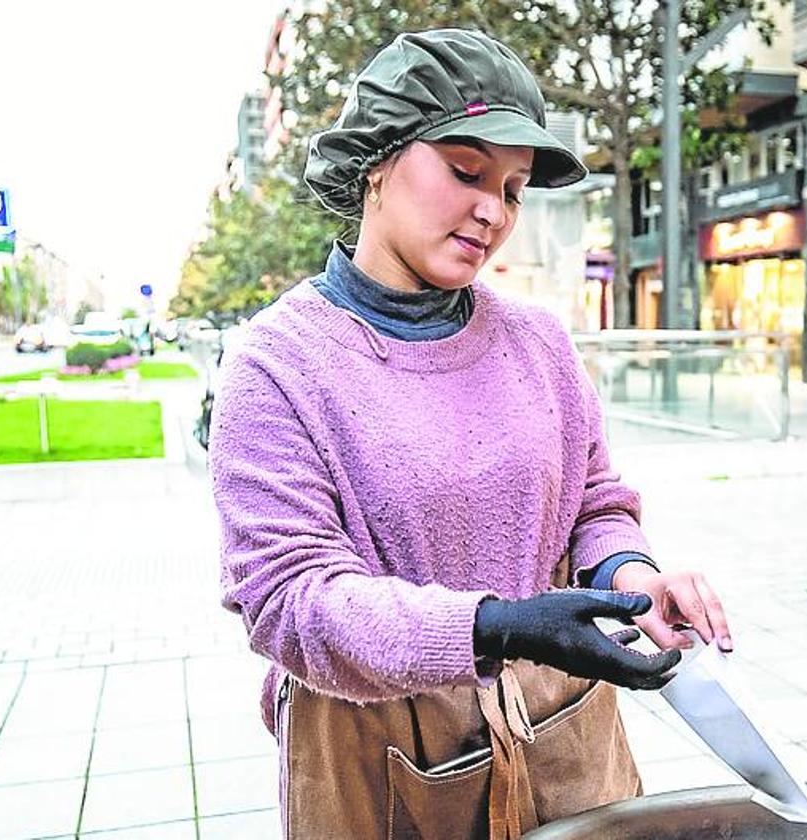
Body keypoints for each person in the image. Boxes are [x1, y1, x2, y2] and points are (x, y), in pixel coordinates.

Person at [208, 29, 732, 839]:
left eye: (515, 189)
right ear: (376, 163)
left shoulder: (538, 343)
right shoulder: (277, 365)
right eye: (464, 171)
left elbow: (594, 501)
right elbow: (289, 602)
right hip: (375, 748)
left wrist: (631, 573)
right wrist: (495, 627)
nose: (492, 210)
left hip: (563, 722)